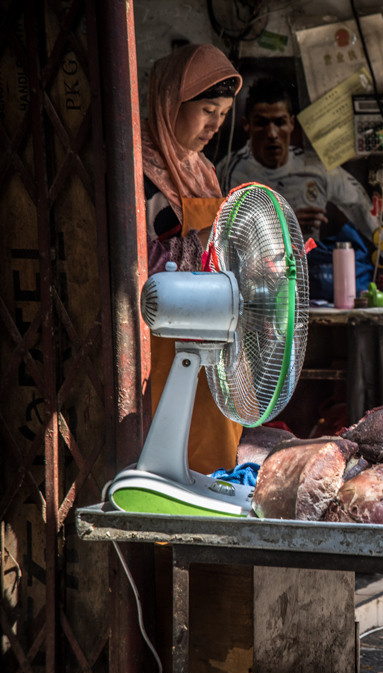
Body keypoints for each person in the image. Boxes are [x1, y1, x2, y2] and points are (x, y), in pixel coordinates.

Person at [141, 43, 244, 475]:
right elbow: (137, 259)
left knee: (213, 458)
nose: (215, 125)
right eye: (207, 110)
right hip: (161, 339)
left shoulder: (203, 170)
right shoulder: (138, 170)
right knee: (168, 450)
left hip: (211, 335)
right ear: (171, 103)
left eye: (222, 113)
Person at [217, 76, 377, 242]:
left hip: (308, 266)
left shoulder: (316, 168)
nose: (272, 134)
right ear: (246, 125)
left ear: (291, 124)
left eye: (280, 123)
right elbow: (217, 233)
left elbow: (359, 204)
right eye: (262, 124)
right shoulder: (229, 171)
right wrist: (285, 225)